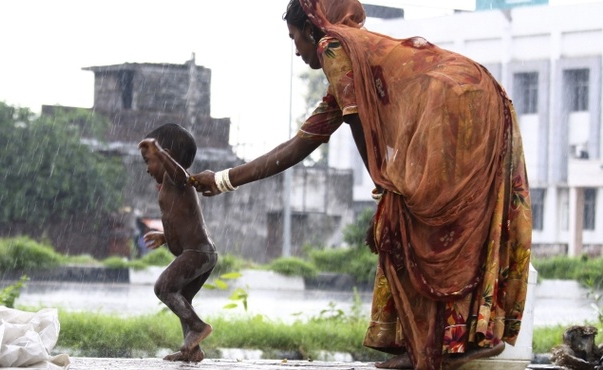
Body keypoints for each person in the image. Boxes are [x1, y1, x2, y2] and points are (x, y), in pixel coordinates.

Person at [191, 0, 532, 369]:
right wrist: (223, 180)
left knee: (403, 222)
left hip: (452, 101)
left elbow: (358, 125)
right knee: (443, 226)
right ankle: (444, 343)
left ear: (312, 28)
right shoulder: (356, 59)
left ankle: (442, 346)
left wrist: (384, 181)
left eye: (294, 38)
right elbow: (299, 145)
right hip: (477, 94)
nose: (296, 49)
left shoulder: (332, 45)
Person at [138, 123, 217, 363]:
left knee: (163, 288)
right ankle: (191, 351)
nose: (147, 169)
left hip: (198, 253)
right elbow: (178, 222)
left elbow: (181, 174)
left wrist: (159, 151)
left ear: (167, 156)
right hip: (200, 253)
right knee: (181, 296)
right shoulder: (168, 187)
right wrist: (164, 236)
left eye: (148, 161)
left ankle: (198, 327)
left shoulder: (178, 180)